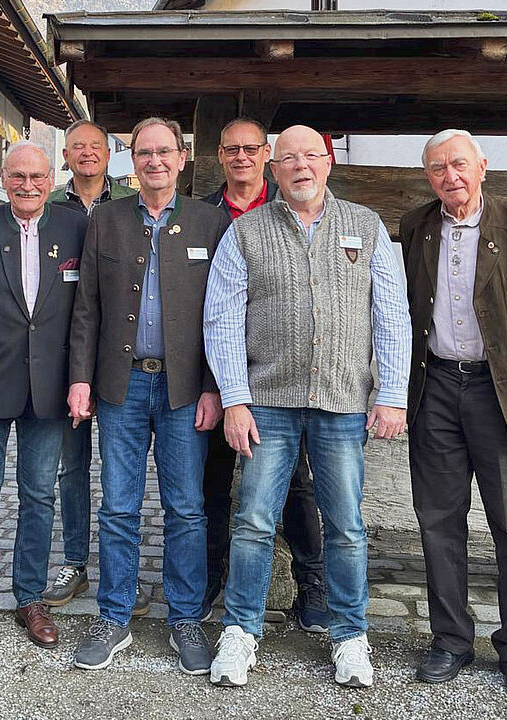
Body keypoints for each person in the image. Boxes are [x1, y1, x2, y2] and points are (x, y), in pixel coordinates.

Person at [203, 125, 411, 688]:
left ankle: (350, 636)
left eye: (311, 156)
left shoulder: (364, 226)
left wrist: (391, 393)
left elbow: (391, 314)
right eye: (289, 158)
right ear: (273, 169)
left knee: (345, 525)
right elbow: (222, 319)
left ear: (329, 162)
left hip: (342, 404)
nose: (301, 167)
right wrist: (236, 400)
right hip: (267, 402)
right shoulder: (246, 233)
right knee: (251, 521)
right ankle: (241, 632)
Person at [400, 129, 507, 701]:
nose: (450, 177)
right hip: (438, 388)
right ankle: (451, 640)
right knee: (438, 521)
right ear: (428, 177)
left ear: (482, 166)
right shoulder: (417, 227)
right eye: (438, 169)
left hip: (503, 393)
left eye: (459, 165)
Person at [68, 117, 230, 675]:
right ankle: (114, 617)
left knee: (186, 508)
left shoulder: (210, 221)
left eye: (164, 152)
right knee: (118, 505)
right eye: (144, 153)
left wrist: (215, 387)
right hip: (121, 384)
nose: (154, 161)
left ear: (182, 158)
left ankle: (185, 617)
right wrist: (81, 377)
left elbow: (223, 314)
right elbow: (86, 305)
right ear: (130, 160)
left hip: (187, 389)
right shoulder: (107, 220)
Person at [0, 140, 89, 654]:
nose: (27, 185)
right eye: (17, 176)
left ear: (52, 178)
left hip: (49, 388)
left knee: (39, 496)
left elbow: (84, 312)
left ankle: (30, 597)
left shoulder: (75, 226)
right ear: (3, 178)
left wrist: (80, 377)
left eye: (37, 176)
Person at [199, 117, 330, 632]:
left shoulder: (289, 210)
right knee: (210, 481)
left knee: (297, 485)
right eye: (231, 149)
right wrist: (214, 384)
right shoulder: (204, 214)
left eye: (251, 149)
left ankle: (312, 585)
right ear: (220, 156)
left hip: (280, 377)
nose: (241, 157)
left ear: (267, 156)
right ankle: (212, 578)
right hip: (218, 372)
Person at [42, 119, 145, 615]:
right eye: (77, 147)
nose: (86, 154)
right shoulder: (49, 206)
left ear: (110, 154)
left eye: (95, 147)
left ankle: (124, 572)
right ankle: (77, 561)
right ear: (66, 155)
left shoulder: (131, 203)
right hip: (67, 353)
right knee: (73, 465)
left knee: (125, 472)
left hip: (122, 354)